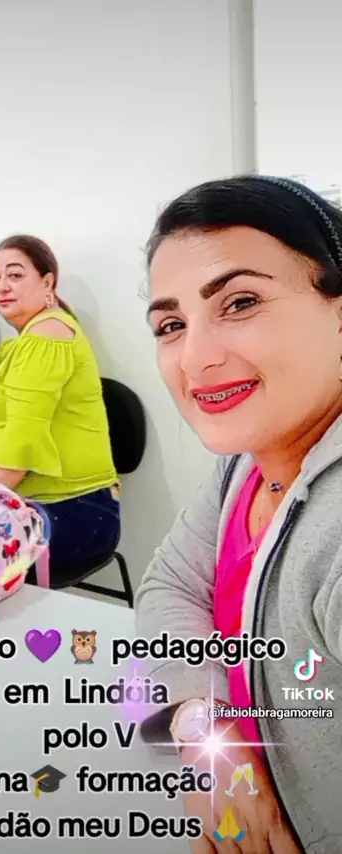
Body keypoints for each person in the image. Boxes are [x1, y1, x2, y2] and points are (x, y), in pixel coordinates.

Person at [135, 175, 342, 854]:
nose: (196, 358)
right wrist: (208, 733)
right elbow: (170, 586)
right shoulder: (245, 466)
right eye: (171, 325)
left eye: (241, 301)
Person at [0, 234, 119, 583]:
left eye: (15, 275)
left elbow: (22, 440)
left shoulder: (48, 335)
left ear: (47, 282)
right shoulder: (22, 345)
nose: (2, 286)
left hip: (69, 512)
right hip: (30, 506)